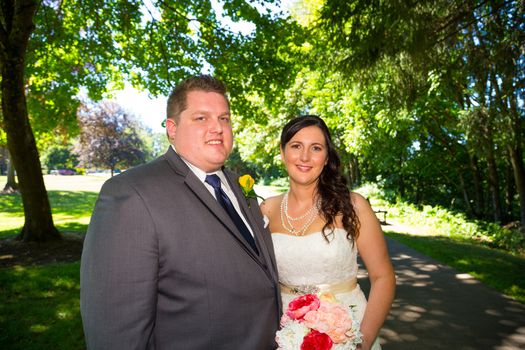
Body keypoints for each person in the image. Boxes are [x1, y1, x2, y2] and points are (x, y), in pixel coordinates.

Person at [81, 75, 281, 349]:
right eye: (201, 118)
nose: (217, 128)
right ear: (172, 129)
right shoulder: (131, 194)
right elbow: (116, 333)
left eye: (224, 119)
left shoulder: (238, 184)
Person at [260, 115, 395, 350]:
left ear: (326, 158)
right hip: (284, 334)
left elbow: (383, 278)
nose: (304, 157)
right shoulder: (266, 210)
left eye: (315, 148)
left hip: (349, 331)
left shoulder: (353, 206)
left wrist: (362, 342)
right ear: (283, 152)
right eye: (296, 146)